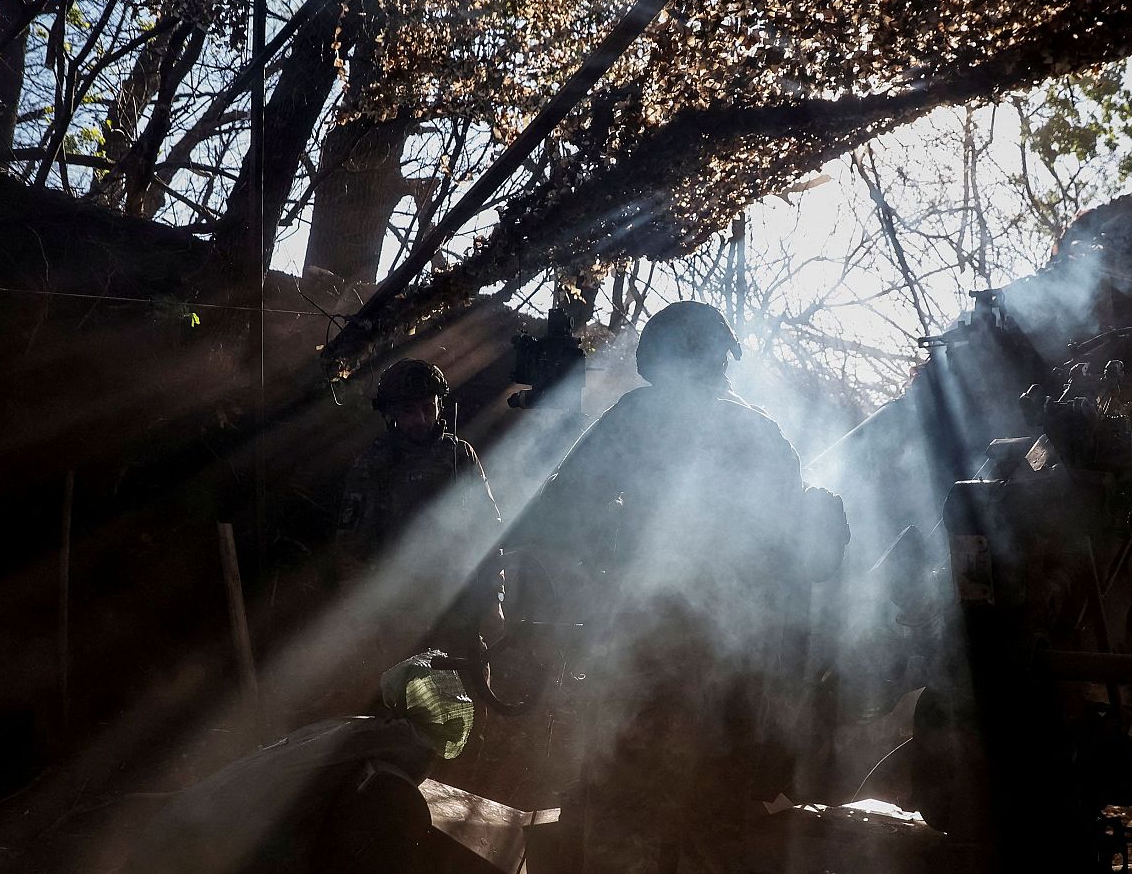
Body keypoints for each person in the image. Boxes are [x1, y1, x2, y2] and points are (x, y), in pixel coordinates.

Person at [516, 301, 847, 873]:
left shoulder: (643, 415)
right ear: (721, 358)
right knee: (716, 828)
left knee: (623, 820)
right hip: (741, 675)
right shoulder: (766, 433)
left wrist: (599, 564)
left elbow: (560, 510)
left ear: (663, 358)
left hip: (649, 658)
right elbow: (791, 562)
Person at [331, 359, 502, 710]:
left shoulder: (459, 455)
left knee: (470, 702)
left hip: (458, 604)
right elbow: (351, 548)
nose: (421, 419)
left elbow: (488, 530)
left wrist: (495, 598)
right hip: (398, 612)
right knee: (407, 711)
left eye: (428, 407)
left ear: (440, 404)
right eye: (409, 411)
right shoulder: (373, 465)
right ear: (392, 413)